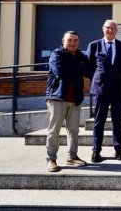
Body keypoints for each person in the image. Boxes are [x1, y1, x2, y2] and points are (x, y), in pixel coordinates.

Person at [45, 31, 91, 172]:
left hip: (75, 98)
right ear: (63, 40)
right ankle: (51, 159)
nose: (73, 42)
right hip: (58, 98)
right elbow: (60, 72)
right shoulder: (56, 54)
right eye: (70, 40)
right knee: (54, 130)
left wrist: (74, 67)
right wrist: (79, 68)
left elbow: (89, 71)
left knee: (74, 130)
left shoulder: (80, 56)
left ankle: (72, 157)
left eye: (76, 40)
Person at [87, 19, 121, 163]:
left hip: (118, 89)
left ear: (117, 31)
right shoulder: (94, 45)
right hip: (100, 89)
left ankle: (118, 149)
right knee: (99, 121)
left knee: (118, 120)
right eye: (107, 28)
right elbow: (89, 67)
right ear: (102, 29)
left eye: (113, 28)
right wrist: (97, 79)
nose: (110, 30)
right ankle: (96, 150)